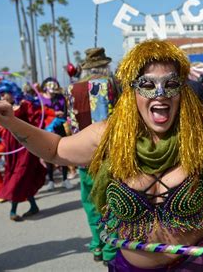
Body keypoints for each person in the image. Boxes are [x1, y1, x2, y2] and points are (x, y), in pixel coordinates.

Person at [0, 39, 203, 271]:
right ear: (132, 92)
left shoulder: (202, 135)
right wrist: (11, 120)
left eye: (171, 85)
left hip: (199, 265)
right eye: (148, 85)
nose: (160, 94)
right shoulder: (109, 135)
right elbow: (56, 150)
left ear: (182, 91)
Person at [66, 47, 119, 265]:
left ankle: (97, 243)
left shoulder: (72, 88)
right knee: (112, 202)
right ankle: (110, 249)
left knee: (90, 201)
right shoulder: (111, 85)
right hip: (109, 153)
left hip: (83, 154)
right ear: (105, 65)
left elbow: (70, 124)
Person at [0, 80, 47, 221]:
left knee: (20, 175)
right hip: (12, 148)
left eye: (5, 93)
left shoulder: (24, 105)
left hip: (25, 146)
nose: (3, 97)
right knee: (21, 176)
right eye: (1, 94)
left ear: (12, 93)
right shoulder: (2, 110)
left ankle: (13, 210)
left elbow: (36, 120)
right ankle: (33, 206)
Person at [40, 77, 73, 190]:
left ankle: (65, 179)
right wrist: (53, 113)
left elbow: (65, 112)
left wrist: (61, 114)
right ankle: (51, 181)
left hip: (59, 129)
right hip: (46, 130)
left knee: (62, 154)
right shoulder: (40, 99)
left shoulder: (60, 98)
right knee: (47, 155)